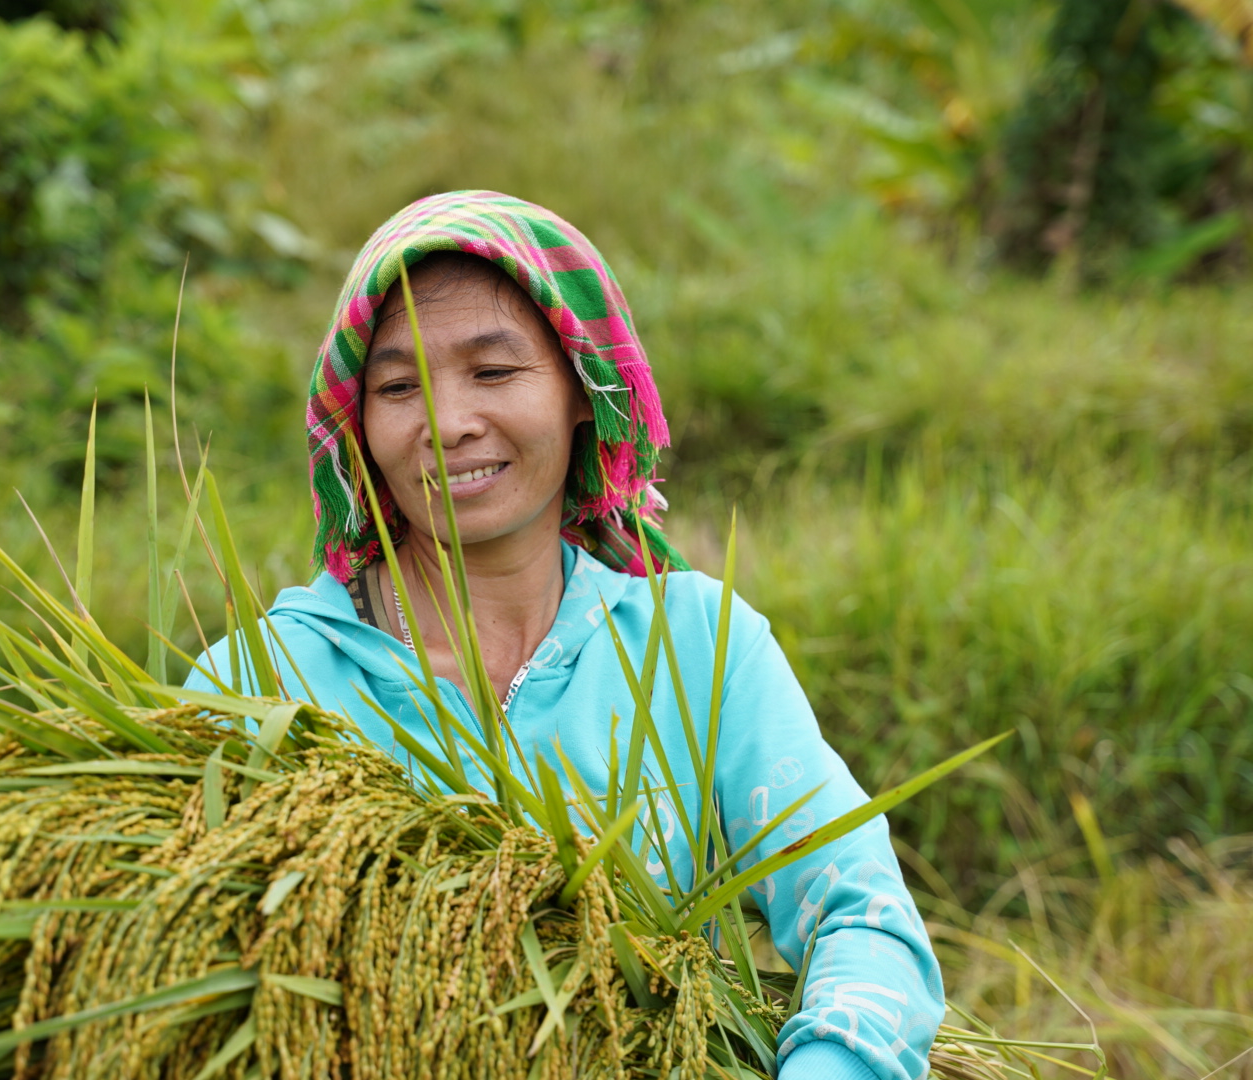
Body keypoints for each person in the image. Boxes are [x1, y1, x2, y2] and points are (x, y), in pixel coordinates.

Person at [186, 190, 945, 1080]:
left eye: (495, 371)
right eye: (398, 386)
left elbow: (860, 917)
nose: (447, 421)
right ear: (358, 426)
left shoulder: (695, 646)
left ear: (586, 389)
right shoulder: (266, 686)